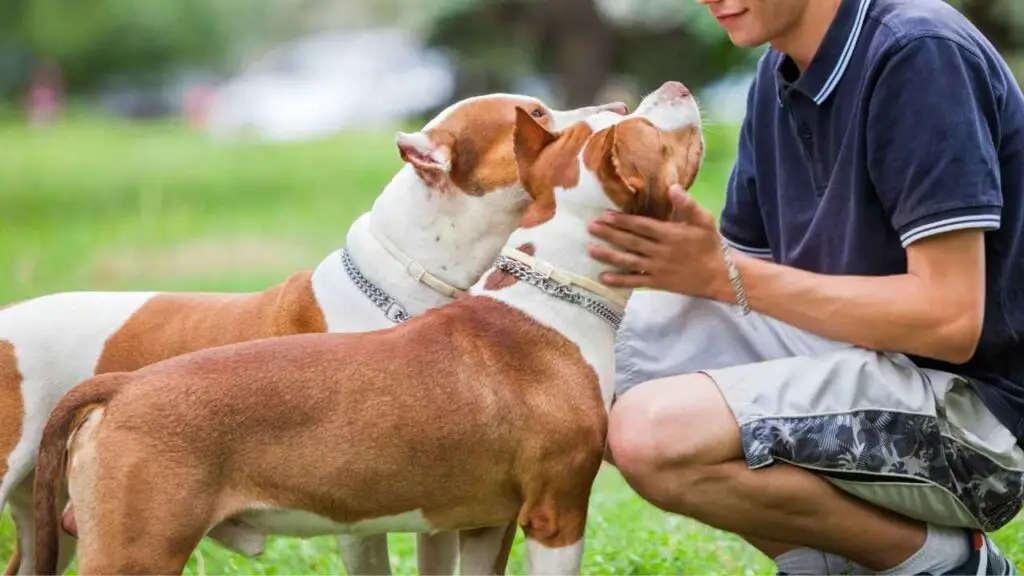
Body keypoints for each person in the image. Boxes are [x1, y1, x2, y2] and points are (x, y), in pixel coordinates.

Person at [588, 0, 1024, 574]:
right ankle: (824, 563)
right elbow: (744, 291)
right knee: (586, 358)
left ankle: (944, 563)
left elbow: (949, 320)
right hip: (852, 363)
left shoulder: (918, 51)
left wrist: (725, 275)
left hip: (973, 429)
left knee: (650, 430)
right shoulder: (776, 74)